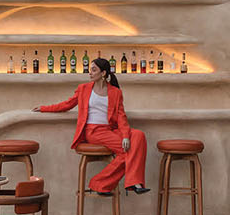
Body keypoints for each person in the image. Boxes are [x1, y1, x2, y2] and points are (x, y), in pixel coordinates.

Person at [33, 56, 150, 195]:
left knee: (138, 136)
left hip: (110, 130)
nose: (90, 73)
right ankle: (108, 183)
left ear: (104, 73)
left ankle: (111, 183)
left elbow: (121, 117)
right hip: (93, 131)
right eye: (90, 70)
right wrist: (44, 108)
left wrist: (125, 135)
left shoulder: (116, 92)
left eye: (94, 70)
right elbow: (67, 104)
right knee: (130, 151)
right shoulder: (83, 89)